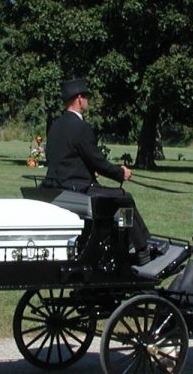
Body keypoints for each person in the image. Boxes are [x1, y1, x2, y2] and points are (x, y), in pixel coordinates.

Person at [42, 78, 156, 265]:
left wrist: (88, 169)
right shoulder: (81, 127)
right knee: (123, 198)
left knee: (114, 196)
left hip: (57, 187)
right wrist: (120, 173)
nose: (87, 100)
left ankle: (125, 243)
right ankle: (142, 248)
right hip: (77, 190)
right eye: (86, 96)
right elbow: (96, 159)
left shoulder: (55, 126)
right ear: (79, 99)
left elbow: (65, 157)